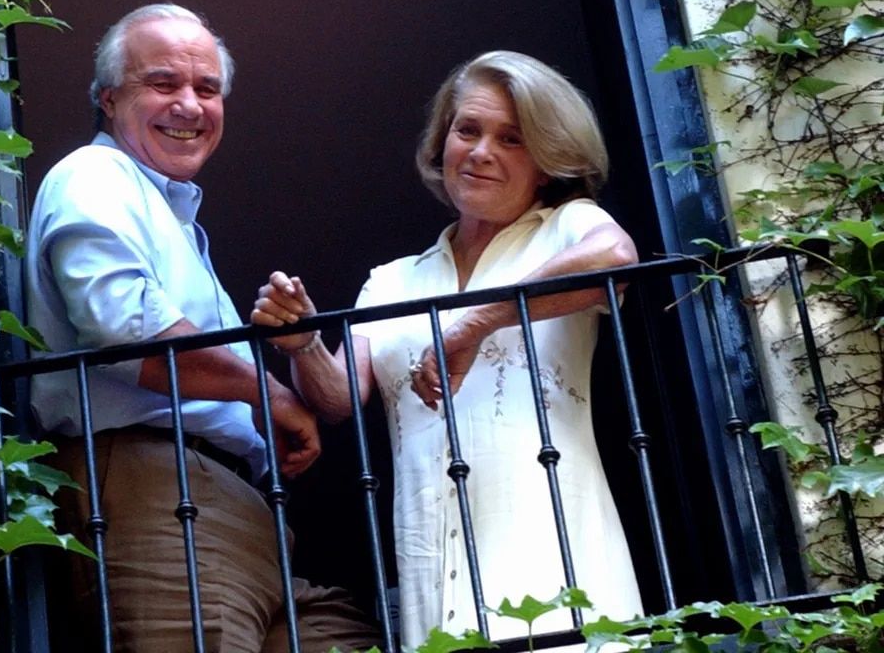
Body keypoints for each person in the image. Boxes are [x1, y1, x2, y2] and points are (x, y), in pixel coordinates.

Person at [252, 51, 644, 649]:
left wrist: (473, 326)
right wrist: (302, 340)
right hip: (429, 553)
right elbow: (338, 398)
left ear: (545, 162)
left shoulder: (567, 227)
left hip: (552, 542)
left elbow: (616, 260)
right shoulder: (392, 280)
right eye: (468, 130)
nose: (481, 152)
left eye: (511, 138)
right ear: (443, 143)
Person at [24, 3, 380, 652]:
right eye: (163, 82)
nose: (189, 104)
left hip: (233, 510)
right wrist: (266, 392)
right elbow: (124, 327)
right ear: (109, 98)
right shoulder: (94, 175)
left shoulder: (172, 216)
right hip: (160, 493)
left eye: (207, 88)